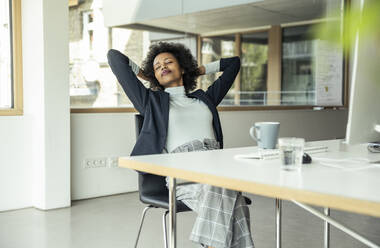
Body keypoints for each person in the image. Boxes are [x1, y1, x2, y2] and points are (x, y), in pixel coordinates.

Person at [107, 42, 254, 248]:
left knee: (228, 193)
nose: (163, 67)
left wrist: (197, 70)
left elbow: (234, 64)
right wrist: (146, 75)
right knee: (229, 193)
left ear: (182, 67)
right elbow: (115, 57)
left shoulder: (205, 99)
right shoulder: (151, 102)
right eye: (157, 67)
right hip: (182, 174)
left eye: (168, 62)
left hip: (214, 168)